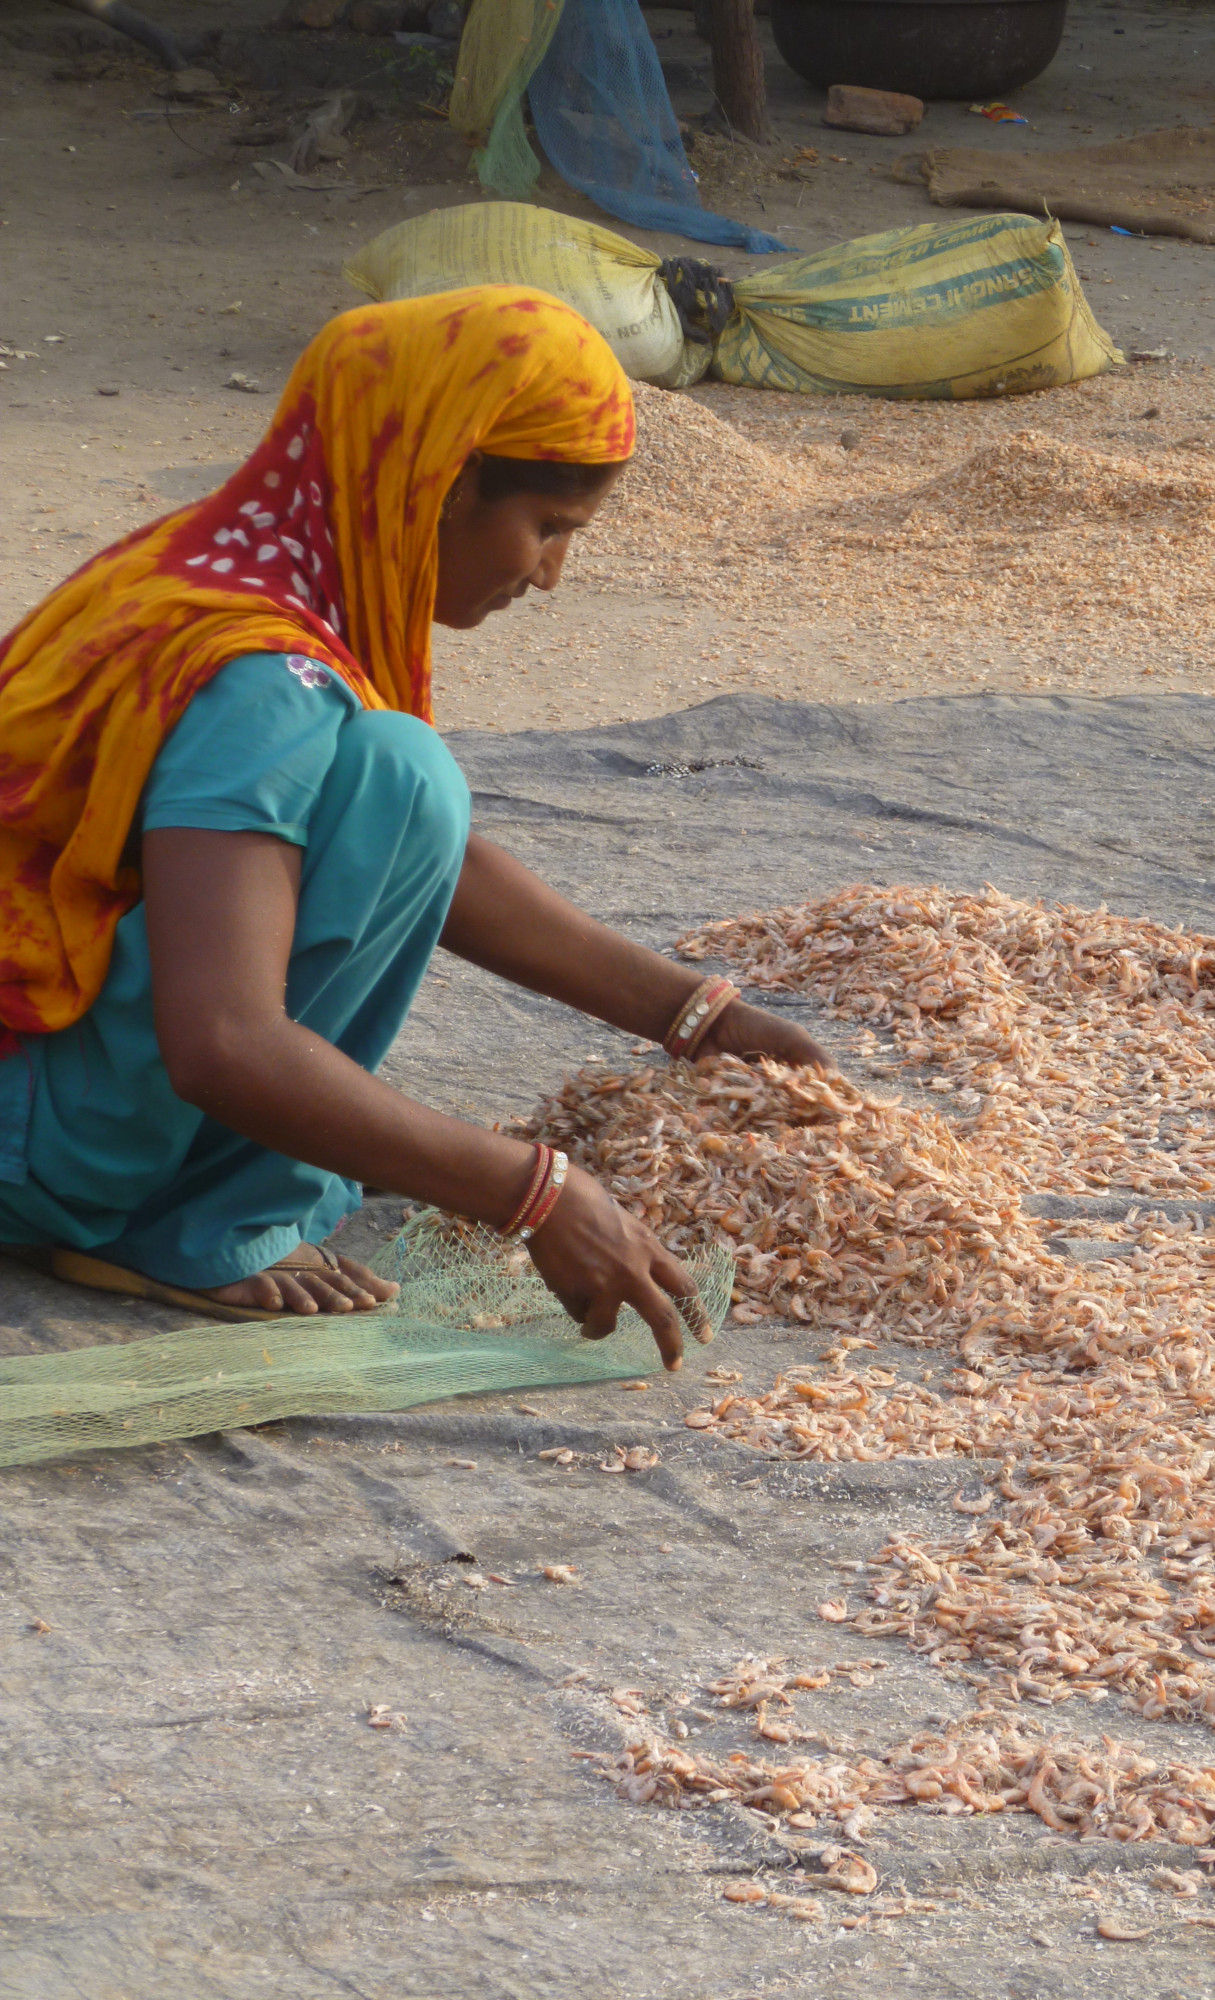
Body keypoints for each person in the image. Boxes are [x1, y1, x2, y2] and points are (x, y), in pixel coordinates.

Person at [0, 287, 825, 1371]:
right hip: (29, 1134)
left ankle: (190, 1182)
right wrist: (535, 1192)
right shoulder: (263, 680)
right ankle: (175, 1224)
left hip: (36, 1075)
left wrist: (692, 1013)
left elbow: (420, 855)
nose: (549, 575)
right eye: (547, 528)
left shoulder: (233, 563)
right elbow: (223, 1042)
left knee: (398, 774)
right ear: (445, 478)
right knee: (407, 772)